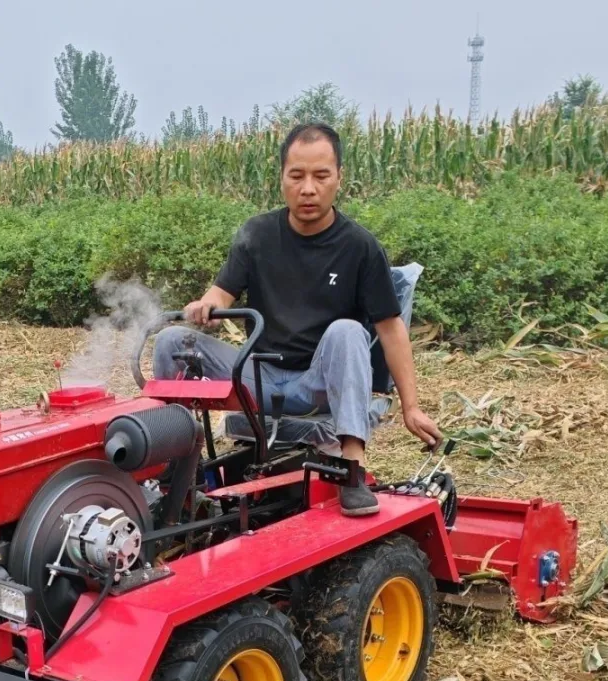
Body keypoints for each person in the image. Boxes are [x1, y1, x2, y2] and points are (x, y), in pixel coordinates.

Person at [153, 123, 441, 517]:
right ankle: (175, 468)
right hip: (260, 375)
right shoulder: (257, 235)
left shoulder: (360, 247)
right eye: (297, 176)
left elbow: (391, 330)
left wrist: (412, 407)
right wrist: (205, 306)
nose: (308, 188)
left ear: (339, 178)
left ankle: (351, 469)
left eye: (321, 176)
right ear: (282, 179)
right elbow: (222, 293)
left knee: (347, 330)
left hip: (318, 382)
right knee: (172, 342)